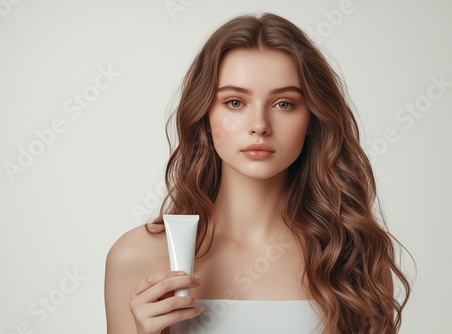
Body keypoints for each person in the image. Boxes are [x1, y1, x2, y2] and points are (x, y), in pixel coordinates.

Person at [104, 12, 412, 334]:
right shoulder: (136, 256)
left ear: (312, 120)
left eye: (283, 104)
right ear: (205, 116)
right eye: (235, 102)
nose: (260, 126)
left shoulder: (348, 256)